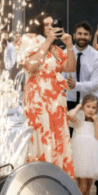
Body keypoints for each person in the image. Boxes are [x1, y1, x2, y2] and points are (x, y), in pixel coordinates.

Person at [22, 20, 76, 174]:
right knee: (40, 134)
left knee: (57, 136)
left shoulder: (55, 49)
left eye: (53, 24)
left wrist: (69, 45)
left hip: (56, 100)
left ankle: (56, 176)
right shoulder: (30, 42)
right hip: (37, 100)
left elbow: (70, 67)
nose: (51, 27)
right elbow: (30, 66)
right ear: (38, 26)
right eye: (46, 24)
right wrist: (47, 41)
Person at [67, 94, 98, 195]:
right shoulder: (79, 118)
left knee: (89, 184)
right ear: (83, 107)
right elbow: (70, 115)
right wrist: (79, 106)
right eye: (88, 106)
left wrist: (96, 121)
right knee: (83, 184)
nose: (91, 109)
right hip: (81, 152)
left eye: (94, 107)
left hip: (92, 153)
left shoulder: (97, 120)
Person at [63, 22, 98, 111]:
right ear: (74, 36)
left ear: (90, 37)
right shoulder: (64, 53)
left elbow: (95, 83)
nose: (82, 37)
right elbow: (60, 77)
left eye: (85, 34)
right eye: (79, 34)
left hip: (91, 103)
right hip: (69, 101)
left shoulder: (97, 57)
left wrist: (76, 85)